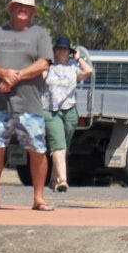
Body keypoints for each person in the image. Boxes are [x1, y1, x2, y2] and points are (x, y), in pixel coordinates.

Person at [0, 0, 54, 211]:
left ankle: (39, 198)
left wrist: (14, 77)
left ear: (33, 11)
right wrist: (2, 73)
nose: (22, 9)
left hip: (30, 106)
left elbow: (43, 63)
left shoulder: (40, 35)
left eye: (26, 6)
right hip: (0, 106)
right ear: (10, 8)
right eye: (18, 5)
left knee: (37, 150)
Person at [41, 41, 84, 192]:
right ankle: (63, 180)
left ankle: (53, 180)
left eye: (65, 49)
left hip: (69, 111)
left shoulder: (73, 68)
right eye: (59, 49)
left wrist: (79, 58)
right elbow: (37, 76)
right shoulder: (48, 68)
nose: (61, 52)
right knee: (58, 145)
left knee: (62, 147)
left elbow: (89, 71)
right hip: (52, 110)